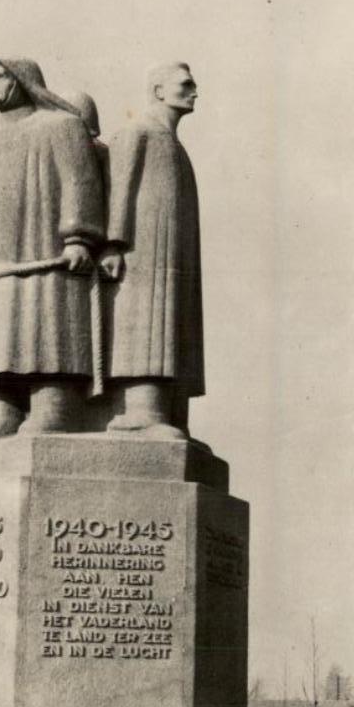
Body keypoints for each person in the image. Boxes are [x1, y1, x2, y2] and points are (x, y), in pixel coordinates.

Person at [0, 58, 106, 439]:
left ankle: (52, 404)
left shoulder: (63, 126)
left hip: (46, 246)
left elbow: (79, 181)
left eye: (0, 77)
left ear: (24, 80)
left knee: (47, 317)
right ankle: (4, 408)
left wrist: (78, 237)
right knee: (3, 323)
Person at [104, 61, 205, 438]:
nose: (195, 91)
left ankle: (169, 413)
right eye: (186, 84)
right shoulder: (138, 131)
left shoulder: (176, 146)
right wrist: (113, 244)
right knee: (146, 320)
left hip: (175, 255)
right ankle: (141, 412)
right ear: (159, 90)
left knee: (176, 320)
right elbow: (120, 187)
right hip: (141, 252)